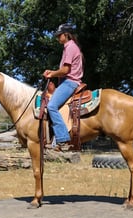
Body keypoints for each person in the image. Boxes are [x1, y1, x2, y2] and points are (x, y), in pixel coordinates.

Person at [42, 23, 84, 151]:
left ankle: (62, 139)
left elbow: (66, 70)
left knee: (51, 106)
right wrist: (54, 73)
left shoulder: (70, 47)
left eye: (59, 35)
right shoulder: (68, 47)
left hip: (70, 82)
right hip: (66, 81)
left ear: (66, 35)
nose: (57, 38)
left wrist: (52, 73)